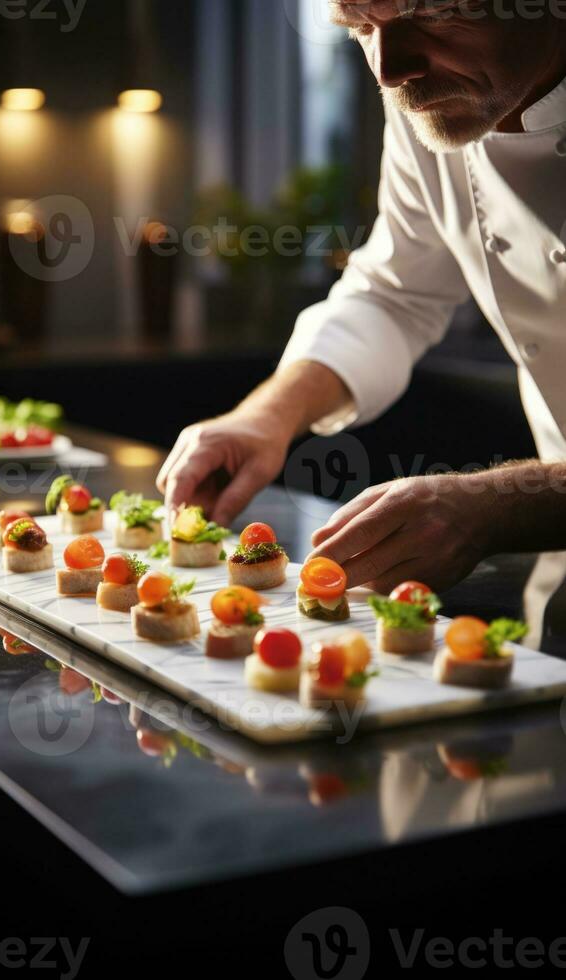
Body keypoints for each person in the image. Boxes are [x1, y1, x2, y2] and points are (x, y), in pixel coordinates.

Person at [158, 0, 566, 593]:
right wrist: (265, 418)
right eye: (361, 28)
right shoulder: (431, 96)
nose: (388, 69)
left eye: (434, 15)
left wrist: (496, 506)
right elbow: (396, 293)